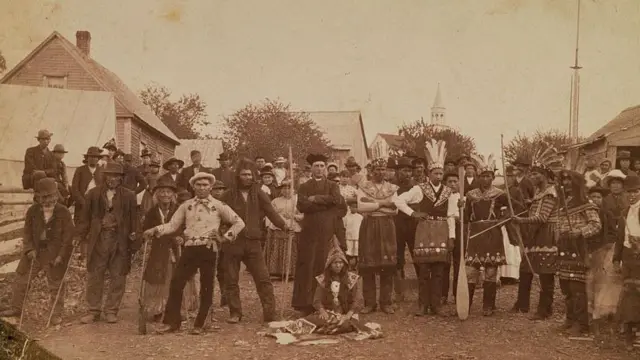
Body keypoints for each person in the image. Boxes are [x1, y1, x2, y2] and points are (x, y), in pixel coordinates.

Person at [144, 172, 244, 334]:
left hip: (209, 247)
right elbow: (172, 225)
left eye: (205, 185)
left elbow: (239, 222)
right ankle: (172, 322)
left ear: (211, 187)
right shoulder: (186, 205)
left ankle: (201, 323)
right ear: (193, 186)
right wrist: (155, 229)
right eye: (198, 185)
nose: (202, 188)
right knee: (176, 282)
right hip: (190, 247)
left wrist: (224, 238)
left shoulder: (218, 205)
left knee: (206, 285)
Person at [0, 178, 74, 325]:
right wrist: (29, 249)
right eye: (45, 197)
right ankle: (16, 308)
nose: (49, 200)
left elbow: (68, 238)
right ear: (38, 197)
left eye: (52, 196)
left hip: (54, 255)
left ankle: (55, 313)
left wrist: (61, 256)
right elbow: (26, 233)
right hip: (35, 252)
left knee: (56, 284)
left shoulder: (63, 212)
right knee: (21, 278)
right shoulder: (33, 211)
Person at [221, 159, 287, 324]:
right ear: (238, 176)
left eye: (250, 174)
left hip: (253, 242)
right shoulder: (228, 194)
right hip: (233, 242)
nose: (247, 177)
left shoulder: (258, 193)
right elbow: (219, 217)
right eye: (243, 174)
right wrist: (221, 234)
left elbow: (270, 211)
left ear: (253, 176)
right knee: (231, 279)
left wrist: (284, 225)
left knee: (263, 278)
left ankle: (270, 313)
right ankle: (235, 313)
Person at [394, 140, 455, 316]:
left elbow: (451, 215)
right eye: (435, 172)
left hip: (441, 230)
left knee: (438, 270)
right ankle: (423, 304)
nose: (438, 175)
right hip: (424, 230)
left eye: (441, 172)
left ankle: (436, 304)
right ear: (429, 173)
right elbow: (398, 200)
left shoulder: (448, 192)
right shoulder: (419, 189)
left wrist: (451, 237)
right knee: (423, 268)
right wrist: (413, 214)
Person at [77, 162, 138, 324]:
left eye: (117, 176)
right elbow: (84, 219)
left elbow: (134, 220)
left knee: (118, 276)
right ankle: (93, 310)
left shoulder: (129, 196)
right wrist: (81, 238)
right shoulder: (93, 194)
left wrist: (134, 239)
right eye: (110, 175)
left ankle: (111, 310)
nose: (113, 179)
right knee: (95, 275)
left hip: (120, 241)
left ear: (121, 178)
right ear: (105, 176)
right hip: (98, 240)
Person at [512, 145, 562, 320]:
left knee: (546, 272)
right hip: (537, 233)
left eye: (536, 174)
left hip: (547, 233)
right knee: (531, 268)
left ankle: (545, 309)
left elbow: (541, 217)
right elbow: (536, 212)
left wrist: (521, 220)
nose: (532, 177)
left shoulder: (550, 192)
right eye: (531, 174)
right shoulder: (540, 193)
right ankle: (526, 305)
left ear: (545, 175)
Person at [293, 153, 346, 315]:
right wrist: (325, 203)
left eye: (322, 166)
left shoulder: (332, 185)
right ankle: (306, 304)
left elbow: (336, 201)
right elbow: (302, 205)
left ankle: (328, 303)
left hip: (327, 230)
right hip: (309, 231)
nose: (319, 169)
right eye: (316, 166)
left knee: (325, 264)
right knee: (308, 265)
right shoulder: (304, 186)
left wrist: (315, 198)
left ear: (325, 168)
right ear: (311, 168)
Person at [460, 153, 513, 316]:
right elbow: (466, 217)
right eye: (482, 176)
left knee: (490, 270)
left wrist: (502, 220)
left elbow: (511, 209)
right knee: (471, 271)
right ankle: (465, 305)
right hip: (475, 234)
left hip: (492, 233)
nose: (485, 179)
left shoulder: (500, 193)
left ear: (492, 177)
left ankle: (488, 306)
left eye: (488, 176)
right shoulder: (470, 195)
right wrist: (460, 207)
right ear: (478, 176)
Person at [553, 170, 602, 336]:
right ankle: (570, 319)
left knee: (577, 288)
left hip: (578, 248)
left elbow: (596, 225)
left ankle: (582, 325)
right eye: (563, 180)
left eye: (569, 180)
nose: (566, 183)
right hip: (564, 247)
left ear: (576, 183)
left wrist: (580, 232)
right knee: (566, 286)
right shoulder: (562, 203)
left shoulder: (584, 202)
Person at [356, 158, 399, 314]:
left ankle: (386, 302)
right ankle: (370, 303)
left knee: (387, 265)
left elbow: (395, 209)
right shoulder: (363, 186)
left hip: (387, 226)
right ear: (371, 171)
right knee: (368, 265)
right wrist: (381, 204)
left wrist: (373, 205)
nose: (381, 172)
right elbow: (361, 207)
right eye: (377, 169)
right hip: (369, 226)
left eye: (383, 169)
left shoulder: (392, 188)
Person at [141, 177, 180, 322]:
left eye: (168, 192)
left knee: (175, 276)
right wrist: (146, 234)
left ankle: (176, 308)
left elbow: (185, 227)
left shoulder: (178, 210)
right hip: (159, 250)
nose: (165, 195)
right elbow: (145, 230)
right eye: (162, 192)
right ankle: (158, 309)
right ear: (157, 195)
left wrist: (181, 237)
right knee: (157, 277)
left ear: (173, 195)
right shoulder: (152, 212)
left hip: (175, 248)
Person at [586, 185, 620, 345]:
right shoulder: (586, 214)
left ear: (602, 199)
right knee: (589, 284)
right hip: (589, 253)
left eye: (598, 197)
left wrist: (606, 249)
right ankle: (590, 318)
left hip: (603, 253)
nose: (595, 200)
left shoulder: (607, 214)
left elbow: (613, 234)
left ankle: (605, 318)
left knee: (603, 285)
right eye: (592, 197)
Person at [304, 241, 362, 335]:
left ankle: (327, 328)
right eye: (335, 263)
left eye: (340, 262)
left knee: (347, 324)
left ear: (344, 264)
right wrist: (322, 311)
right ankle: (331, 327)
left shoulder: (352, 279)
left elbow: (357, 300)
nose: (338, 265)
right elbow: (317, 300)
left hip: (347, 314)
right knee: (309, 320)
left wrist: (348, 315)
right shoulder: (323, 279)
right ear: (329, 265)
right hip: (329, 313)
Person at [613, 175, 640, 351]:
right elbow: (620, 238)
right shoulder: (625, 212)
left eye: (635, 191)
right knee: (628, 295)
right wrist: (617, 258)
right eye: (629, 192)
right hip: (629, 257)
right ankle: (629, 334)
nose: (632, 195)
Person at [265, 180, 302, 279]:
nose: (286, 190)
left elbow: (303, 215)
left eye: (289, 188)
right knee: (277, 247)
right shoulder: (276, 201)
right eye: (284, 188)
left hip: (293, 226)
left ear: (293, 189)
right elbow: (270, 214)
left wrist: (293, 216)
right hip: (278, 226)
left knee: (291, 248)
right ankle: (276, 271)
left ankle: (291, 272)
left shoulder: (298, 201)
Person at [393, 157, 419, 301]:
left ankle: (423, 290)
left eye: (409, 171)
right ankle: (399, 292)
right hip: (396, 226)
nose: (407, 174)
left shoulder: (417, 188)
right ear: (398, 172)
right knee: (397, 258)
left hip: (413, 226)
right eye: (404, 171)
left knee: (418, 256)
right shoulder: (392, 188)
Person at [442, 171, 460, 303]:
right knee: (444, 264)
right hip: (444, 231)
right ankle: (443, 294)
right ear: (445, 184)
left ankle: (457, 293)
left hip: (459, 232)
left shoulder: (463, 198)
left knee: (458, 264)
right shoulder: (442, 198)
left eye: (455, 181)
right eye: (450, 182)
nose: (453, 184)